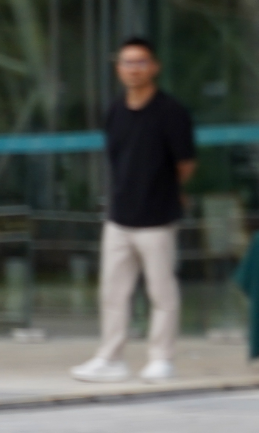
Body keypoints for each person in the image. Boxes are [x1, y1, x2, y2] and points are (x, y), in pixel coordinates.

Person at [72, 37, 196, 383]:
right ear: (118, 68)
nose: (134, 68)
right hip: (119, 217)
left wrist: (166, 192)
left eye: (141, 62)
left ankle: (161, 358)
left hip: (157, 217)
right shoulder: (114, 110)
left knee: (161, 291)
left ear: (154, 67)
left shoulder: (171, 111)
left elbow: (185, 164)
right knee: (112, 292)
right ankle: (111, 357)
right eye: (127, 62)